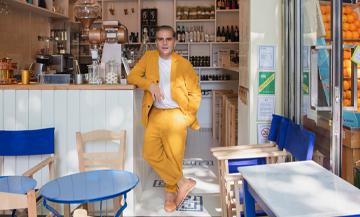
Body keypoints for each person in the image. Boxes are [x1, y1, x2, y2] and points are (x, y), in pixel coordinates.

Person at [127, 25, 202, 212]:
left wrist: (188, 117)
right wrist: (149, 84)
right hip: (155, 114)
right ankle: (182, 183)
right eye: (160, 39)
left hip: (177, 115)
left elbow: (195, 92)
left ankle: (170, 195)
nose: (164, 43)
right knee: (149, 153)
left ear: (175, 42)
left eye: (168, 39)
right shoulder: (149, 58)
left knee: (174, 157)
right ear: (156, 42)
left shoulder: (183, 64)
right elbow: (132, 76)